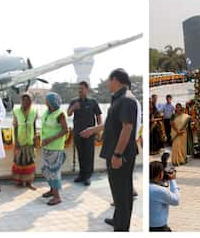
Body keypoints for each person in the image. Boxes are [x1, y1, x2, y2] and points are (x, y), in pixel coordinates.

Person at [81, 68, 139, 231]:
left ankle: (122, 227)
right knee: (119, 190)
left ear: (116, 80)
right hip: (116, 151)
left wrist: (117, 154)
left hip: (120, 154)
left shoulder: (126, 100)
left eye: (109, 80)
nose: (107, 83)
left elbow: (127, 128)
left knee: (122, 192)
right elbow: (114, 123)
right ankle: (118, 219)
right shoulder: (119, 99)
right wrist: (94, 129)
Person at [68, 81, 102, 186]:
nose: (80, 90)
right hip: (78, 132)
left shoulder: (93, 101)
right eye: (79, 89)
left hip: (90, 133)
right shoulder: (74, 101)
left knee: (89, 154)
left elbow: (98, 116)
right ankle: (81, 174)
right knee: (81, 154)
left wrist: (98, 130)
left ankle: (87, 176)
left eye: (82, 88)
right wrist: (74, 108)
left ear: (87, 89)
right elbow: (68, 114)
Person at [40, 92, 69, 206]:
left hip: (55, 147)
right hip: (47, 146)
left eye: (47, 100)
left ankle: (57, 197)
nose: (45, 101)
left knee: (54, 171)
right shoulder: (48, 112)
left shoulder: (60, 114)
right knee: (46, 169)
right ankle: (52, 190)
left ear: (51, 102)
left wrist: (51, 139)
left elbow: (65, 130)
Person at [12, 92, 37, 189]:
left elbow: (34, 126)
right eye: (24, 100)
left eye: (28, 100)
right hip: (20, 140)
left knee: (30, 162)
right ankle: (20, 181)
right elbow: (15, 127)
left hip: (30, 141)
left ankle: (29, 182)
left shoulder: (34, 111)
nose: (26, 102)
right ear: (21, 101)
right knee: (19, 161)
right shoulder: (16, 111)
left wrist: (35, 139)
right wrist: (16, 142)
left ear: (31, 101)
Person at [149, 160, 180, 231]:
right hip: (159, 228)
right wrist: (172, 180)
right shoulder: (160, 190)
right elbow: (176, 201)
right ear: (160, 174)